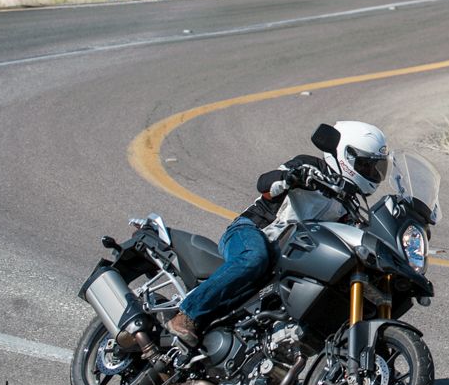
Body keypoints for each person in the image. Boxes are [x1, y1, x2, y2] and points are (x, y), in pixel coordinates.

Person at [165, 120, 391, 346]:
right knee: (254, 258)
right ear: (346, 156)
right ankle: (186, 314)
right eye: (367, 165)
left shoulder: (351, 205)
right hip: (252, 231)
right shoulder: (310, 167)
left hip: (287, 255)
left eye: (376, 168)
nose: (372, 173)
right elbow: (264, 184)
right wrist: (290, 177)